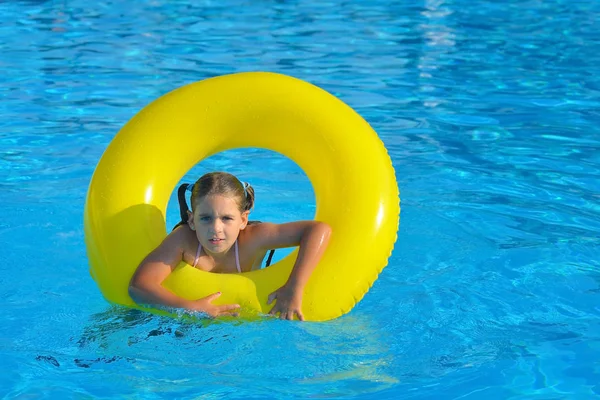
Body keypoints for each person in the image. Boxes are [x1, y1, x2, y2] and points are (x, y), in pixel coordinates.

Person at [128, 171, 332, 321]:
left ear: (243, 220)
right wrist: (190, 307)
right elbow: (140, 286)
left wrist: (294, 288)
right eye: (205, 218)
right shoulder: (183, 240)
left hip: (246, 321)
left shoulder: (254, 238)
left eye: (227, 218)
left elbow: (319, 230)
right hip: (191, 322)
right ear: (191, 220)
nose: (216, 228)